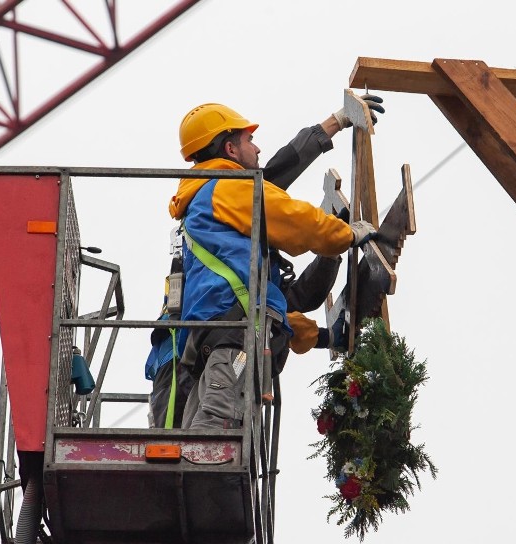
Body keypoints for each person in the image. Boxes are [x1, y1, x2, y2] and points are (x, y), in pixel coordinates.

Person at [146, 96, 384, 429]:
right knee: (212, 437)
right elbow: (290, 214)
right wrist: (343, 235)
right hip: (221, 349)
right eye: (249, 140)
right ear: (230, 150)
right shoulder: (228, 189)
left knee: (193, 442)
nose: (257, 149)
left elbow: (270, 307)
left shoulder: (216, 208)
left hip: (210, 349)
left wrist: (325, 337)